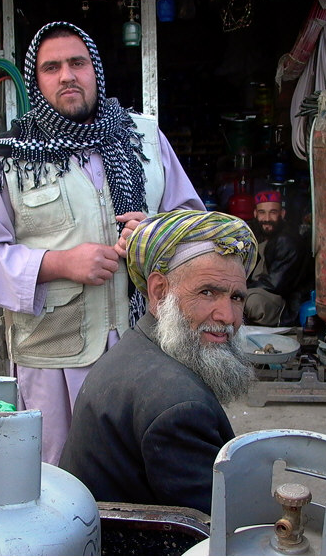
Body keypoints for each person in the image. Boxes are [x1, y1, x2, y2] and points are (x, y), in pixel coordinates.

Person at [0, 21, 203, 465]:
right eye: (51, 67)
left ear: (96, 71)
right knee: (58, 478)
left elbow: (194, 225)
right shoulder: (7, 159)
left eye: (78, 62)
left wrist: (155, 232)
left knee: (139, 466)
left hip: (146, 345)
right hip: (54, 358)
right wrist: (58, 263)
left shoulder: (144, 137)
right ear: (37, 81)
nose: (67, 75)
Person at [59, 210, 258, 515]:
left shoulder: (139, 346)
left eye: (236, 298)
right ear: (159, 291)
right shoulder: (179, 407)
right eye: (207, 292)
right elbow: (222, 528)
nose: (228, 317)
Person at [244, 190, 307, 326]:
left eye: (273, 212)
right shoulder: (255, 234)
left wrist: (241, 289)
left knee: (249, 302)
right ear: (255, 214)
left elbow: (275, 284)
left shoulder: (287, 240)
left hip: (283, 303)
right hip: (259, 289)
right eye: (262, 213)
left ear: (282, 214)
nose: (267, 218)